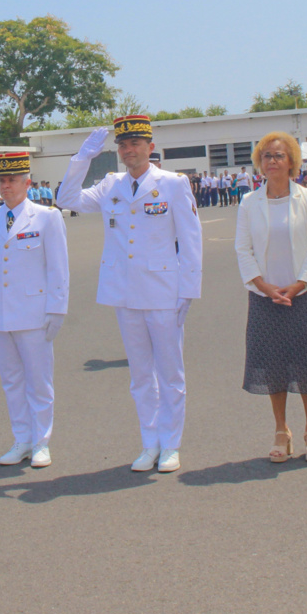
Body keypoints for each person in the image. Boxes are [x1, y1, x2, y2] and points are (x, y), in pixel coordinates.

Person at [56, 116, 202, 473]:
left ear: (151, 147)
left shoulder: (172, 184)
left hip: (164, 292)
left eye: (136, 143)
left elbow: (191, 240)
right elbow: (66, 199)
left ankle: (171, 445)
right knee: (140, 376)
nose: (129, 149)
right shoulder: (110, 186)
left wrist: (188, 291)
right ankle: (149, 443)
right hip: (125, 292)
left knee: (170, 374)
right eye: (123, 144)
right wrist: (82, 159)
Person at [235, 132, 307, 463]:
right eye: (266, 156)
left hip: (304, 295)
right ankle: (281, 430)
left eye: (279, 155)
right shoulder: (249, 202)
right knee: (273, 363)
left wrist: (297, 286)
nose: (272, 161)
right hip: (265, 297)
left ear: (291, 162)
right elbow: (242, 248)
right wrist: (265, 287)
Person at [0, 152, 69, 468]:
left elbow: (58, 268)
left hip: (34, 312)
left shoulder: (46, 217)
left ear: (28, 182)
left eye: (12, 180)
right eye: (1, 180)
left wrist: (57, 309)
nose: (6, 185)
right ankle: (21, 439)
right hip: (0, 313)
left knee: (39, 381)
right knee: (12, 381)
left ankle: (41, 442)